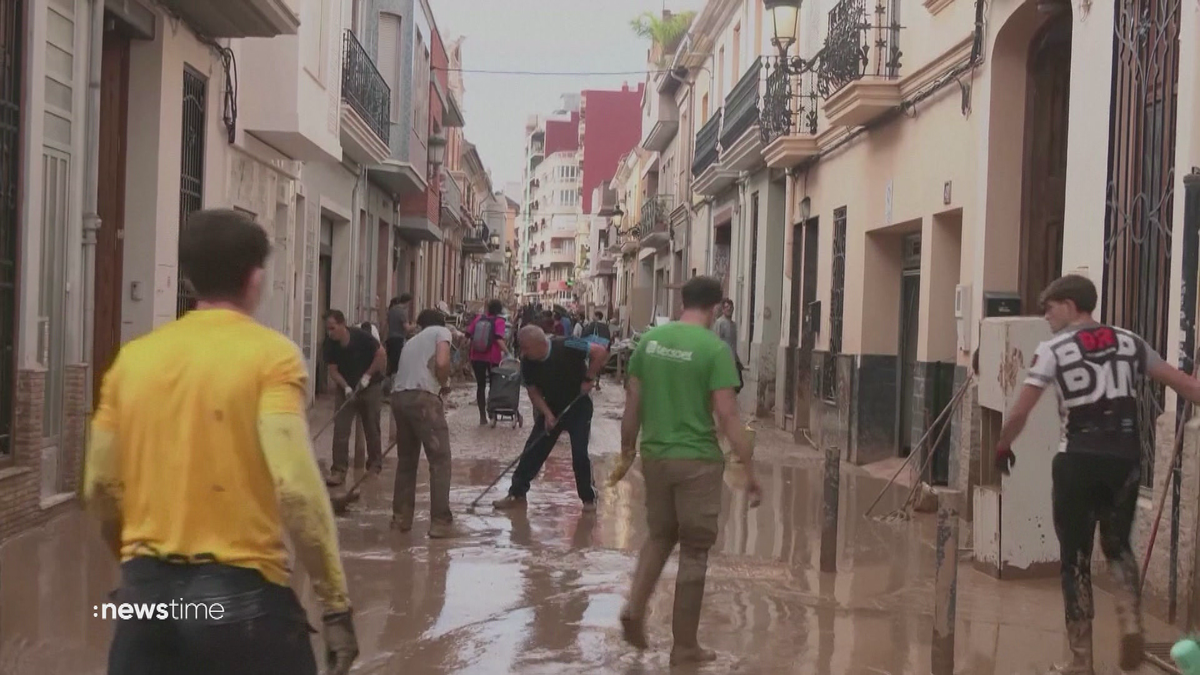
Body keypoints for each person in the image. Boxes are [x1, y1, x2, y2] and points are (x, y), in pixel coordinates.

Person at [82, 209, 357, 675]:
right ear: (255, 278)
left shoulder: (132, 360)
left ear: (188, 279)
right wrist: (335, 606)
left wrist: (137, 568)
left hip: (143, 601)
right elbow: (296, 490)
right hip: (243, 602)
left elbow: (99, 489)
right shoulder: (271, 357)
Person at [995, 274, 1200, 674]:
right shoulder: (1130, 342)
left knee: (1075, 558)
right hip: (1125, 461)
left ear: (1070, 306)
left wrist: (1003, 446)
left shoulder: (1054, 349)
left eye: (1049, 308)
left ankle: (1081, 660)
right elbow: (1185, 386)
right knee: (1119, 545)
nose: (1047, 317)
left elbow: (1020, 410)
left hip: (1078, 460)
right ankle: (1131, 622)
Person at [613, 275, 760, 664]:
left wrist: (628, 449)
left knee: (659, 536)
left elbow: (632, 400)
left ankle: (633, 608)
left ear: (683, 302)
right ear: (715, 308)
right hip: (697, 461)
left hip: (655, 457)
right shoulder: (714, 349)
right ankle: (685, 647)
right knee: (694, 551)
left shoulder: (650, 342)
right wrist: (750, 470)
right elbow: (728, 416)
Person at [492, 326, 608, 512]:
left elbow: (600, 351)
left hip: (578, 405)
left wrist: (589, 377)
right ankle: (517, 493)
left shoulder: (568, 344)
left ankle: (588, 497)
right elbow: (533, 392)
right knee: (533, 449)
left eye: (526, 348)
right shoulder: (528, 363)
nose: (523, 352)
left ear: (540, 344)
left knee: (580, 454)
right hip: (551, 406)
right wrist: (547, 414)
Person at [391, 309, 460, 538]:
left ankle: (401, 519)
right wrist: (444, 381)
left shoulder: (411, 342)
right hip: (424, 399)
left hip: (399, 398)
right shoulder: (442, 332)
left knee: (406, 461)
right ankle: (440, 522)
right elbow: (441, 362)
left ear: (420, 325)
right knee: (440, 460)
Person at [323, 309, 387, 486]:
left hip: (370, 386)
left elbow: (380, 355)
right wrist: (346, 388)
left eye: (333, 328)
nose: (330, 332)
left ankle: (374, 467)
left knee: (372, 426)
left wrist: (367, 376)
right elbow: (333, 371)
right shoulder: (330, 344)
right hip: (346, 387)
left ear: (343, 324)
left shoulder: (362, 337)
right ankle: (338, 471)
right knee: (341, 429)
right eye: (328, 329)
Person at [466, 299, 509, 425]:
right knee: (494, 385)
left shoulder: (479, 318)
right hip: (492, 358)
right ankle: (491, 411)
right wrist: (508, 353)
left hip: (476, 356)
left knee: (480, 386)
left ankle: (482, 416)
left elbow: (467, 335)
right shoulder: (500, 321)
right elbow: (499, 340)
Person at [713, 298, 743, 393]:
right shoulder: (720, 323)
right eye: (727, 308)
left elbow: (733, 344)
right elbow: (716, 341)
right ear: (723, 310)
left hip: (732, 361)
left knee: (736, 386)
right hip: (723, 361)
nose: (729, 310)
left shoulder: (733, 325)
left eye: (731, 308)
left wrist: (737, 360)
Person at [386, 294, 414, 376]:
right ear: (408, 302)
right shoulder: (402, 312)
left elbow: (386, 325)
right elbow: (407, 328)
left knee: (391, 363)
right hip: (398, 339)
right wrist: (414, 326)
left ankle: (389, 381)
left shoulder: (391, 310)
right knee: (399, 362)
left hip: (390, 338)